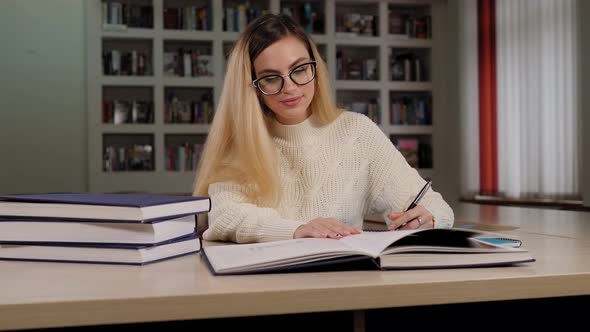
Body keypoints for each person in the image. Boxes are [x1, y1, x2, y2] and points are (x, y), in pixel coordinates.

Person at [193, 13, 454, 243]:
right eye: (271, 78)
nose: (290, 87)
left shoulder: (357, 132)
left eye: (300, 69)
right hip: (266, 287)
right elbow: (224, 216)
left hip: (344, 284)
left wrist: (428, 218)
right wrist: (298, 229)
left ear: (316, 68)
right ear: (252, 88)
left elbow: (434, 204)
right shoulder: (243, 142)